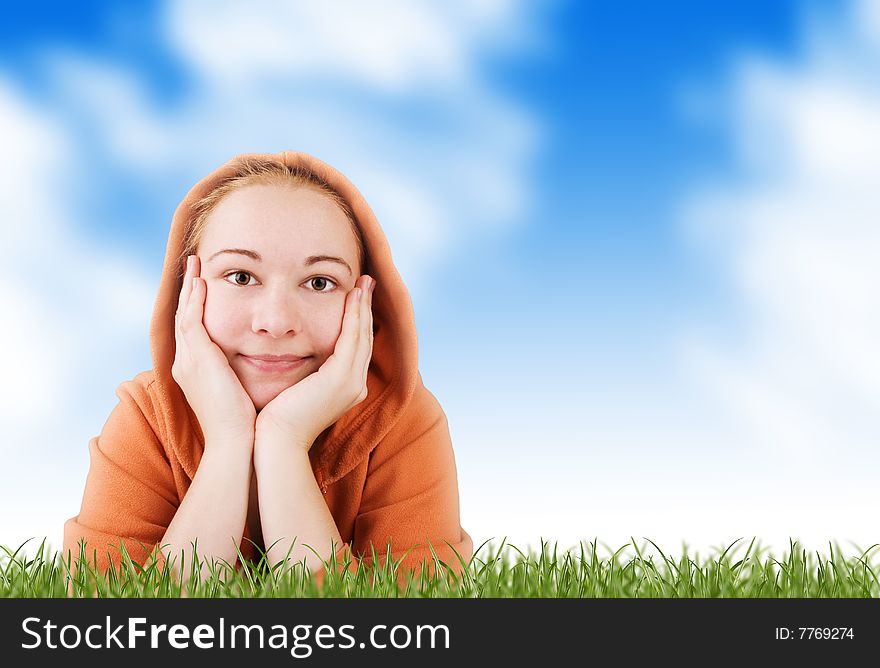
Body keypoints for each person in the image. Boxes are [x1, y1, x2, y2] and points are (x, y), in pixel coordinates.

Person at [63, 151, 473, 588]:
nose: (276, 322)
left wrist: (284, 443)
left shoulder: (403, 420)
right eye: (240, 276)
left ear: (365, 306)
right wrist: (227, 441)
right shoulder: (146, 416)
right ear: (188, 292)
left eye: (319, 282)